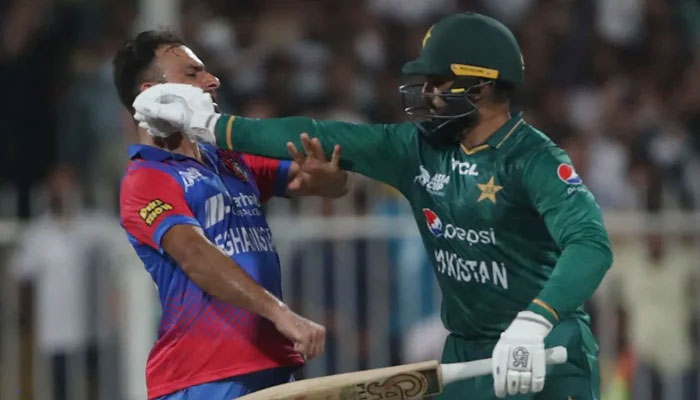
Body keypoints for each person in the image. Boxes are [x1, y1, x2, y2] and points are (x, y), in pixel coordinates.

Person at [134, 13, 613, 400]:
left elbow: (591, 244)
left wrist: (535, 321)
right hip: (469, 351)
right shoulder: (414, 148)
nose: (425, 94)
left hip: (546, 345)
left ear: (480, 87)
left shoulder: (534, 158)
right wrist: (214, 127)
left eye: (436, 82)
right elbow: (319, 134)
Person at [112, 31, 350, 400]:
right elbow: (195, 254)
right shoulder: (146, 178)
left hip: (270, 366)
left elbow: (324, 184)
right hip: (204, 378)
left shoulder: (230, 159)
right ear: (150, 93)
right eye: (192, 74)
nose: (212, 81)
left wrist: (330, 178)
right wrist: (281, 314)